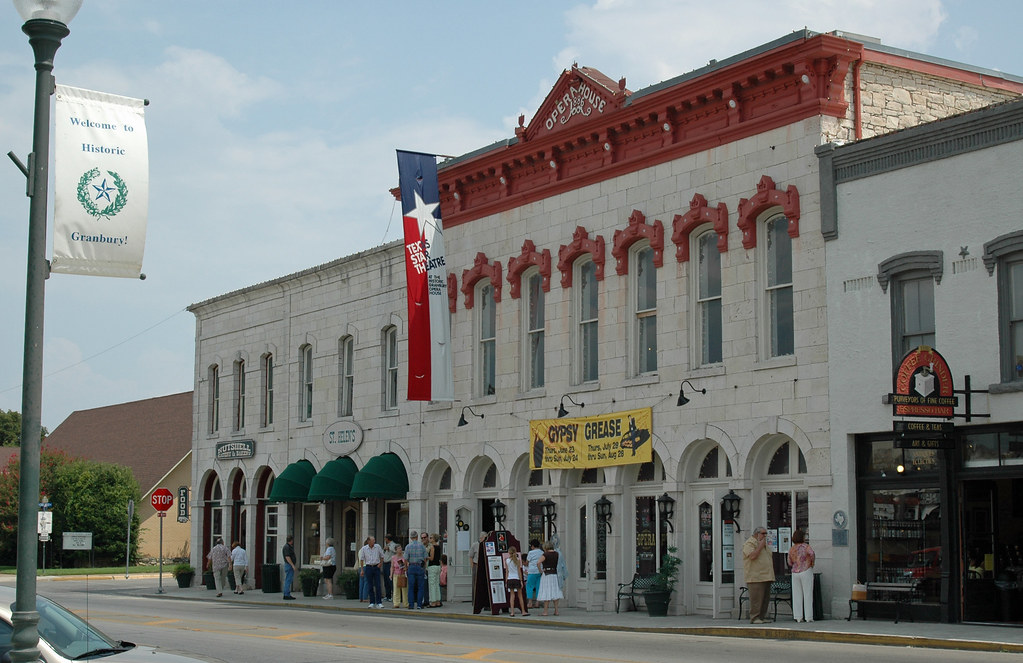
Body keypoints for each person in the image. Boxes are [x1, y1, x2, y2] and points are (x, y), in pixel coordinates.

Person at [742, 526, 775, 624]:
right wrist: (760, 546)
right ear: (757, 534)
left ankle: (762, 616)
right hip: (756, 576)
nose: (765, 535)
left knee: (765, 598)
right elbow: (752, 556)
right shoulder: (750, 543)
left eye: (766, 533)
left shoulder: (764, 544)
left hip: (766, 575)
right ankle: (754, 617)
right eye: (763, 533)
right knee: (756, 599)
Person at [788, 528, 815, 622]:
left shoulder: (792, 548)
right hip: (806, 570)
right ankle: (808, 616)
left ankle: (798, 616)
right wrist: (811, 563)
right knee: (807, 594)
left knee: (797, 595)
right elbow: (812, 554)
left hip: (795, 572)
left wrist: (795, 564)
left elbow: (789, 562)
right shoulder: (806, 547)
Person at [537, 540, 562, 616]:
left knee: (546, 591)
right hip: (554, 574)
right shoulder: (556, 554)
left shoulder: (545, 554)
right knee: (555, 592)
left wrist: (540, 570)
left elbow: (538, 562)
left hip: (547, 574)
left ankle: (545, 611)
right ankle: (556, 610)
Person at [404, 530, 428, 609]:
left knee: (411, 587)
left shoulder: (408, 546)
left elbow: (405, 559)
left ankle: (411, 605)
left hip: (411, 566)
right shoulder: (422, 546)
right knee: (420, 587)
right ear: (417, 537)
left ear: (411, 538)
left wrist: (406, 568)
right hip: (419, 566)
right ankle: (419, 605)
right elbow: (425, 558)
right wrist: (424, 567)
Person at [360, 535, 385, 608]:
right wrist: (362, 570)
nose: (374, 542)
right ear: (368, 541)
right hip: (368, 567)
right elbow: (361, 559)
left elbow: (382, 556)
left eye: (374, 540)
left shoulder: (377, 547)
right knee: (370, 585)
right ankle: (372, 602)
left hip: (376, 566)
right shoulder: (364, 548)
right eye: (372, 540)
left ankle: (379, 602)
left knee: (378, 585)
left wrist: (380, 563)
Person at [505, 545, 529, 616]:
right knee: (520, 596)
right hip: (516, 578)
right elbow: (519, 571)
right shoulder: (518, 560)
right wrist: (521, 580)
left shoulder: (507, 560)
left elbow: (507, 571)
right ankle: (523, 611)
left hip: (510, 578)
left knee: (512, 596)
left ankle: (512, 612)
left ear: (509, 553)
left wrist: (506, 581)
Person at [525, 538, 543, 609]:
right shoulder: (541, 552)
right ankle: (537, 602)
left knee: (529, 586)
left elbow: (527, 562)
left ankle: (530, 602)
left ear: (532, 546)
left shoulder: (530, 552)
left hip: (532, 571)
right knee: (538, 586)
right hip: (539, 571)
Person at [426, 533, 443, 607]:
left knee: (432, 584)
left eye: (431, 538)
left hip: (432, 566)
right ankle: (438, 600)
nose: (430, 539)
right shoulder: (438, 546)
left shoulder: (432, 547)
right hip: (438, 566)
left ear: (434, 539)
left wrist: (426, 557)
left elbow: (431, 558)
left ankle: (433, 601)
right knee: (436, 583)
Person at [382, 533, 398, 601]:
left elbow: (395, 551)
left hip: (389, 563)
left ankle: (393, 595)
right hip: (385, 563)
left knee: (390, 580)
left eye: (385, 538)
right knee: (385, 580)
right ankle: (387, 595)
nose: (385, 540)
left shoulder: (393, 545)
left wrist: (389, 548)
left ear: (387, 539)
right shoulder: (387, 545)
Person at [282, 534, 297, 600]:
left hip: (289, 565)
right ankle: (286, 594)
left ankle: (287, 593)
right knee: (288, 580)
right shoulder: (287, 547)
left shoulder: (288, 547)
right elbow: (287, 557)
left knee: (288, 579)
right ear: (291, 540)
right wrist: (292, 565)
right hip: (289, 565)